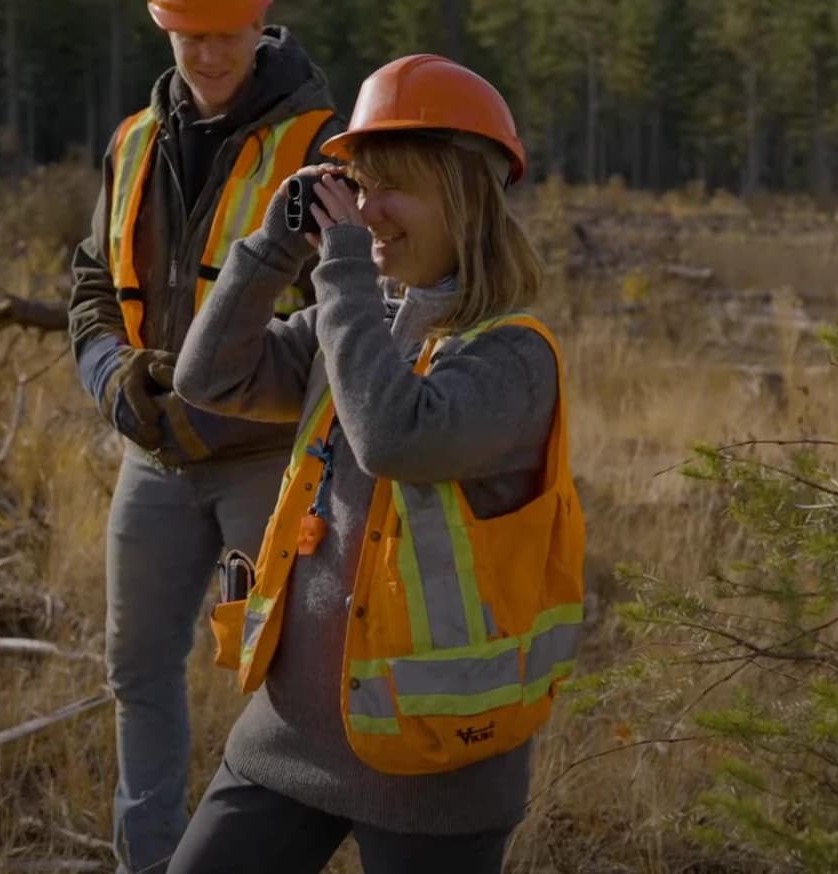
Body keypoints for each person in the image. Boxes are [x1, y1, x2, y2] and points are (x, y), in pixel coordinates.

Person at [167, 53, 587, 874]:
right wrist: (274, 246)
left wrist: (347, 271)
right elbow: (208, 376)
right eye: (355, 188)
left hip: (438, 773)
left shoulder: (513, 360)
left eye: (390, 187)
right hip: (288, 743)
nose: (366, 210)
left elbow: (396, 438)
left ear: (462, 199)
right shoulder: (355, 319)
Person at [65, 0, 345, 874]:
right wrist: (114, 384)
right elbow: (92, 290)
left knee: (293, 692)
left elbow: (355, 319)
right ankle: (150, 863)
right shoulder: (134, 141)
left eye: (227, 33)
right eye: (192, 34)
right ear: (162, 25)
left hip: (271, 468)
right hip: (152, 462)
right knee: (137, 674)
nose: (210, 53)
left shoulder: (324, 147)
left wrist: (235, 388)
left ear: (261, 22)